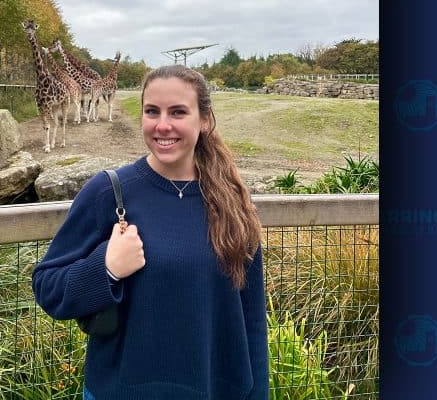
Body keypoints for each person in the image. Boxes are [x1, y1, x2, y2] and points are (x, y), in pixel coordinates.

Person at [32, 65, 268, 400]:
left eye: (178, 112)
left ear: (204, 120)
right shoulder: (108, 192)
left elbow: (252, 319)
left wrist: (258, 392)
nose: (162, 125)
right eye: (151, 111)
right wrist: (106, 268)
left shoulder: (231, 201)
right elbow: (48, 287)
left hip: (214, 389)